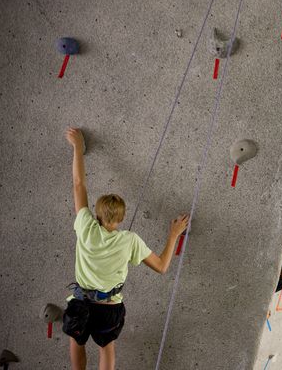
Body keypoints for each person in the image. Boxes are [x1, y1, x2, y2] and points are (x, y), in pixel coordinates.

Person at [62, 128, 189, 370]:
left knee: (77, 342)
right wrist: (173, 235)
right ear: (120, 219)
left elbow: (79, 185)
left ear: (97, 214)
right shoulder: (130, 240)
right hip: (109, 306)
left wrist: (78, 146)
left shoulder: (86, 225)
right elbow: (162, 267)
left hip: (80, 302)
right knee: (106, 347)